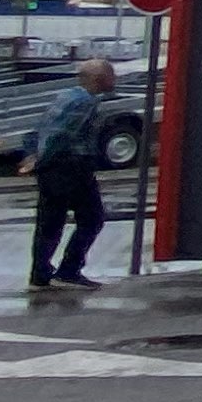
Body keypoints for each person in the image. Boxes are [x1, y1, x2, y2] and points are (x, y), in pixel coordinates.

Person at [25, 57, 119, 294]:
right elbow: (63, 135)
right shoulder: (85, 103)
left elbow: (39, 128)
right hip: (71, 166)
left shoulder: (66, 96)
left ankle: (40, 274)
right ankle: (69, 271)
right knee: (92, 218)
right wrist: (44, 159)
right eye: (111, 75)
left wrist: (33, 156)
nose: (115, 80)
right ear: (99, 79)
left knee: (49, 222)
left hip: (54, 168)